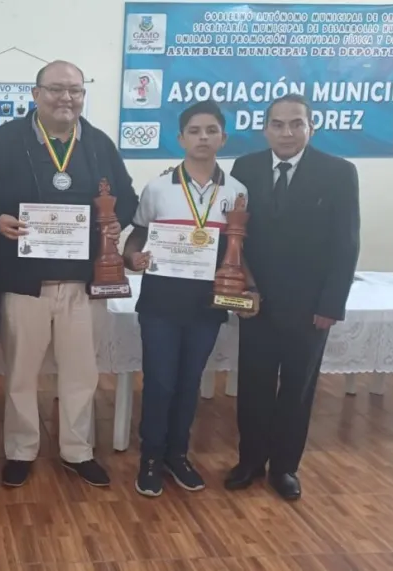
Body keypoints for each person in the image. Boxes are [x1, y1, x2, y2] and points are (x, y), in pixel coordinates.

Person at [0, 60, 138, 488]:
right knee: (21, 373)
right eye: (57, 89)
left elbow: (128, 198)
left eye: (75, 91)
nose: (67, 98)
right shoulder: (6, 139)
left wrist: (115, 223)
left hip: (84, 283)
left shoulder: (97, 144)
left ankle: (77, 451)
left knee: (81, 372)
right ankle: (21, 449)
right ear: (36, 93)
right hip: (25, 284)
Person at [227, 94, 360, 500]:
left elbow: (346, 243)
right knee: (252, 385)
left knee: (297, 389)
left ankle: (284, 468)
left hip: (309, 308)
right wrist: (239, 290)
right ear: (265, 128)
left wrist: (330, 304)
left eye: (295, 124)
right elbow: (236, 238)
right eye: (278, 124)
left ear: (310, 127)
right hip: (256, 302)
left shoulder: (338, 172)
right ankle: (249, 461)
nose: (287, 132)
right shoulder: (244, 168)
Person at [122, 100, 254, 497]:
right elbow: (138, 235)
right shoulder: (159, 187)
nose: (203, 137)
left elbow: (240, 248)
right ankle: (150, 457)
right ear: (180, 138)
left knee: (189, 382)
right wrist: (132, 257)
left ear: (223, 137)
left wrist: (247, 288)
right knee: (160, 382)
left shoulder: (237, 191)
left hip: (207, 304)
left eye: (211, 130)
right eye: (194, 131)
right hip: (161, 302)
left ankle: (177, 455)